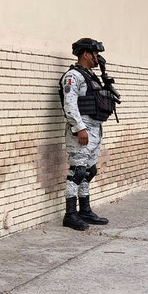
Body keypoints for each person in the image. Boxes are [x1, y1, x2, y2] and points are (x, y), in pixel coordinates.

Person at [58, 38, 117, 231]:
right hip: (82, 130)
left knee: (89, 172)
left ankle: (84, 210)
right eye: (95, 54)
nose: (98, 58)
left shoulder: (92, 76)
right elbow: (70, 104)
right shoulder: (73, 76)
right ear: (86, 54)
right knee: (77, 172)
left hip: (95, 129)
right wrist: (80, 128)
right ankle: (70, 214)